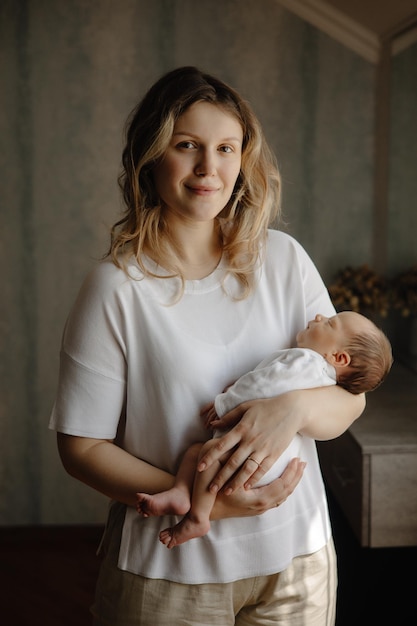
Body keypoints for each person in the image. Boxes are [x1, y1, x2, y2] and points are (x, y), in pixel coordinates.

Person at [49, 66, 367, 626]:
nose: (208, 168)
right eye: (187, 145)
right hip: (172, 570)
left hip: (298, 561)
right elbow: (82, 449)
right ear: (151, 156)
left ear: (244, 159)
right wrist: (212, 504)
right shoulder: (116, 287)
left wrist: (289, 408)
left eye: (226, 147)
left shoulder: (284, 260)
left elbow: (349, 400)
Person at [136, 310, 393, 548]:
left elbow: (266, 383)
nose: (318, 315)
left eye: (329, 323)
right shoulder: (320, 378)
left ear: (338, 357)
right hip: (272, 460)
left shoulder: (308, 362)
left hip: (259, 456)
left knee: (208, 455)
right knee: (195, 453)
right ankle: (181, 492)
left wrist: (226, 401)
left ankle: (197, 517)